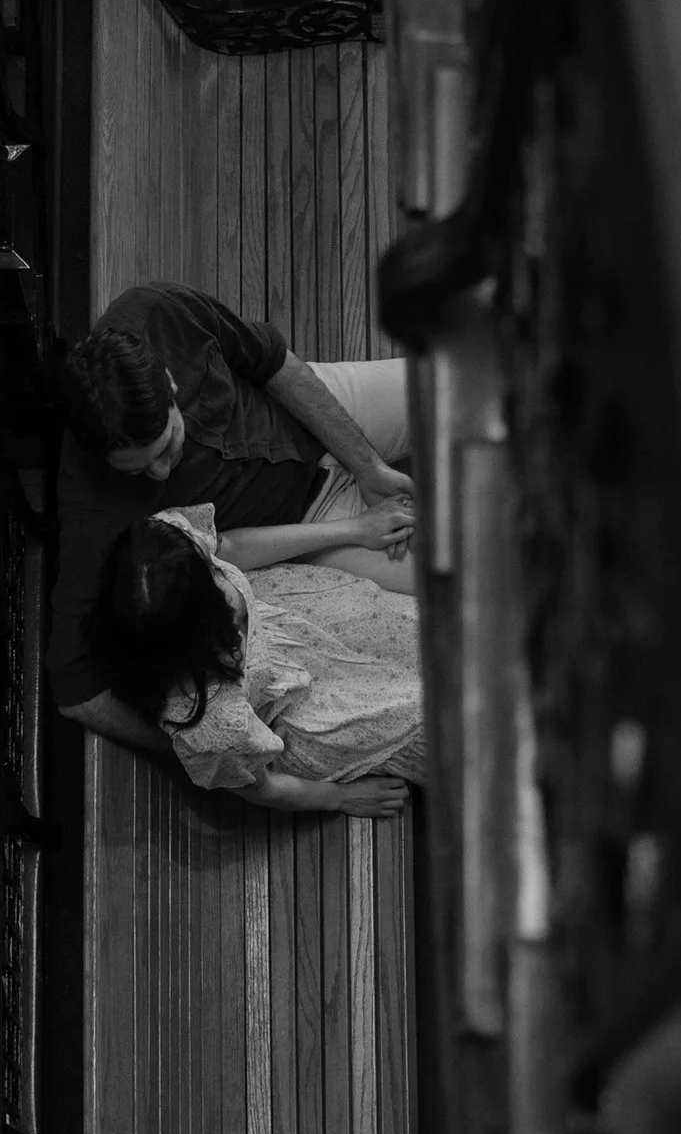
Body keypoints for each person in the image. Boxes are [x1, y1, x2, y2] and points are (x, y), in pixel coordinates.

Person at [47, 284, 417, 812]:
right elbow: (75, 692)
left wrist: (368, 466)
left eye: (166, 448)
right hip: (305, 524)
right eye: (137, 470)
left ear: (170, 383)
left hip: (315, 420)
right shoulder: (91, 513)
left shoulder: (155, 312)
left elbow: (269, 361)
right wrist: (207, 748)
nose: (159, 474)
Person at [86, 504, 422, 815]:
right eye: (220, 596)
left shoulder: (162, 555)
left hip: (304, 615)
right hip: (310, 710)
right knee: (433, 714)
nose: (226, 581)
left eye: (214, 574)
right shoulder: (214, 725)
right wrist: (339, 797)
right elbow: (261, 787)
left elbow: (231, 547)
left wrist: (355, 529)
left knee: (433, 634)